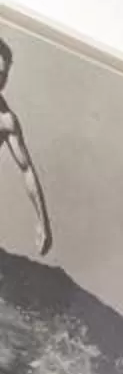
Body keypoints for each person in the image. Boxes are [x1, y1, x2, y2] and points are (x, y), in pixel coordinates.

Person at [0, 33, 52, 257]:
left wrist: (43, 221)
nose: (0, 79)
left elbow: (27, 169)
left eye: (3, 74)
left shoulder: (6, 120)